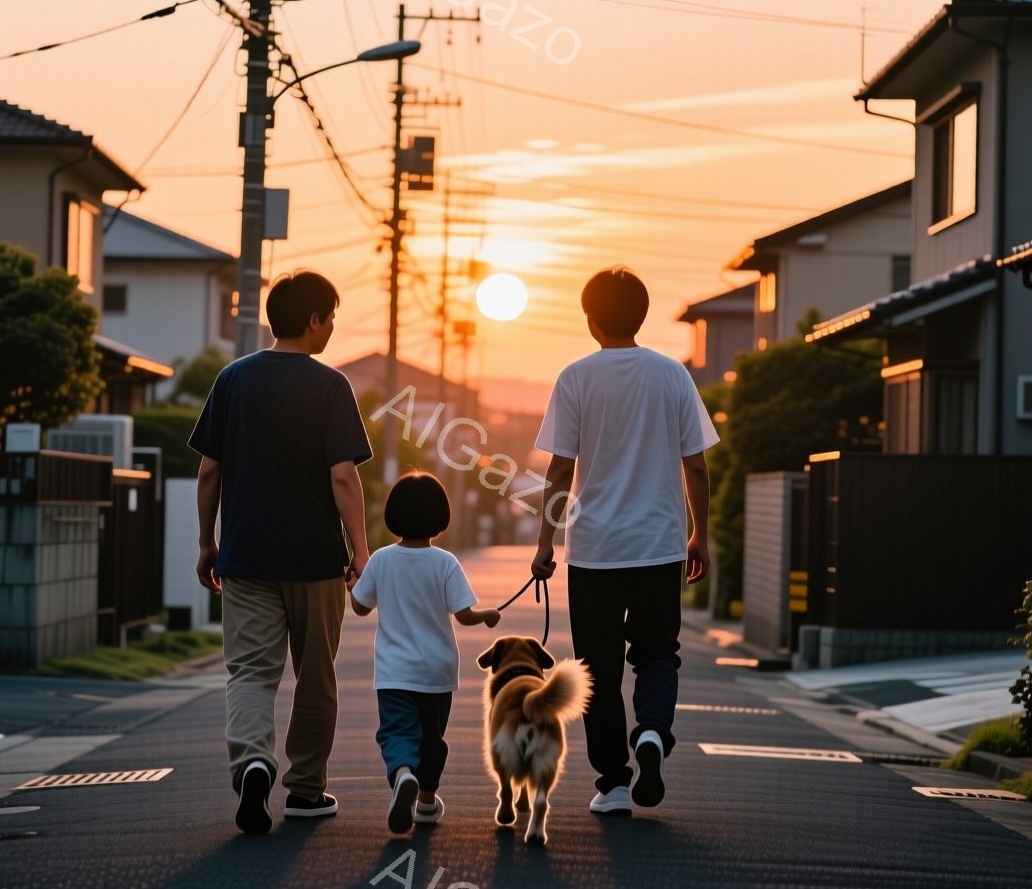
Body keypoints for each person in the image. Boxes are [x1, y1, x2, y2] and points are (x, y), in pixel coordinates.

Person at [190, 271, 372, 835]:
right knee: (316, 675)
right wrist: (361, 550)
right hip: (315, 560)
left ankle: (253, 764)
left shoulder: (232, 380)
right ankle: (306, 790)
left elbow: (209, 470)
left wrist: (207, 542)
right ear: (314, 319)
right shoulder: (330, 385)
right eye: (331, 316)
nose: (333, 327)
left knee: (249, 672)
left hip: (245, 558)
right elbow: (343, 476)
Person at [531, 266, 717, 816]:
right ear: (641, 313)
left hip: (593, 550)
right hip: (659, 544)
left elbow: (560, 470)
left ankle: (613, 781)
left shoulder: (575, 377)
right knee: (658, 654)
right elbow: (697, 467)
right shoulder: (672, 376)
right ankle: (653, 734)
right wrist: (699, 534)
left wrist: (546, 540)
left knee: (598, 668)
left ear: (590, 317)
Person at [350, 472, 501, 834]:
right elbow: (464, 614)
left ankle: (403, 774)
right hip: (437, 672)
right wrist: (488, 615)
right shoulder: (446, 562)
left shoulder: (382, 560)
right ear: (440, 517)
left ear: (393, 516)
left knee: (398, 731)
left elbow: (359, 608)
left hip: (394, 673)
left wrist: (354, 583)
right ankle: (427, 801)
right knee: (432, 738)